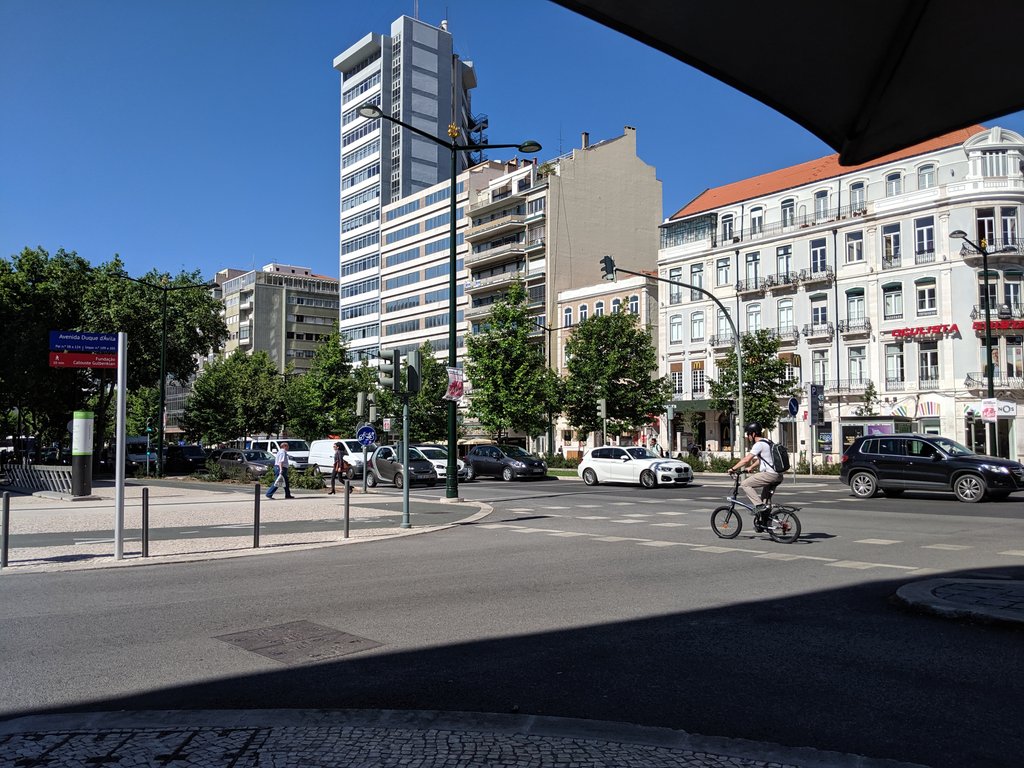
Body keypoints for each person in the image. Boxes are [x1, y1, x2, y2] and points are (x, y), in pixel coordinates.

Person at [729, 422, 782, 523]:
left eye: (748, 434)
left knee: (745, 484)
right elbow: (763, 459)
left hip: (769, 475)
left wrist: (733, 468)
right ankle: (766, 524)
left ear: (753, 434)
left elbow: (746, 459)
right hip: (778, 475)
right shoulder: (768, 442)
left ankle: (759, 506)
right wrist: (751, 467)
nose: (748, 437)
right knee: (765, 500)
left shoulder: (758, 444)